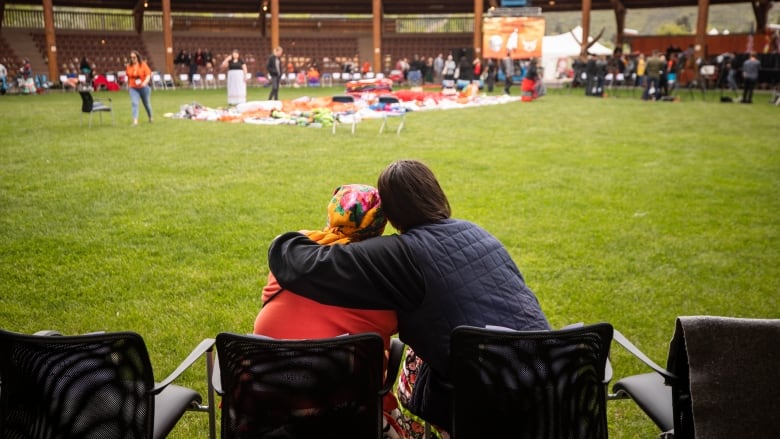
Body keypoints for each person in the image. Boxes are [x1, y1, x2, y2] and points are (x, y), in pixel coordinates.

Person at [268, 159, 550, 436]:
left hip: (488, 400)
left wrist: (310, 236)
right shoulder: (478, 232)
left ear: (392, 212)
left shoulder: (402, 253)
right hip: (552, 377)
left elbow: (295, 259)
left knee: (414, 361)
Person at [253, 183, 405, 437]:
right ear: (379, 225)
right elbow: (394, 324)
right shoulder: (378, 276)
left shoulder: (290, 253)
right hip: (347, 417)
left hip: (270, 408)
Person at [125, 50, 152, 125]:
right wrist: (128, 85)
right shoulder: (128, 66)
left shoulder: (143, 65)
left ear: (137, 57)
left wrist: (145, 82)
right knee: (134, 103)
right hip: (133, 88)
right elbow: (128, 77)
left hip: (144, 88)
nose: (132, 59)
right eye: (131, 57)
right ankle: (135, 121)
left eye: (134, 57)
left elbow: (148, 75)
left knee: (146, 104)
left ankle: (150, 117)